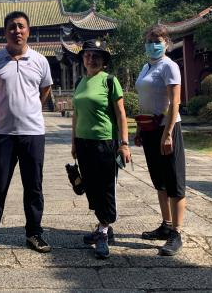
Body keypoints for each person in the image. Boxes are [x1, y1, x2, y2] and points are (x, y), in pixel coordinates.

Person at [0, 11, 53, 255]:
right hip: (3, 133)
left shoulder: (40, 61)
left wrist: (32, 109)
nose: (17, 31)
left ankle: (34, 233)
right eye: (12, 27)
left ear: (28, 30)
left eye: (21, 26)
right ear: (5, 32)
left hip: (32, 132)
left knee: (33, 186)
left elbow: (45, 89)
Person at [71, 39, 131, 259]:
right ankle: (102, 226)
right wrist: (73, 142)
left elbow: (121, 113)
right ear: (83, 59)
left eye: (96, 56)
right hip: (83, 142)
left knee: (105, 187)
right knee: (90, 186)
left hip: (104, 142)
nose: (91, 59)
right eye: (87, 55)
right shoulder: (80, 82)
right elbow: (76, 114)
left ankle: (104, 232)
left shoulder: (109, 81)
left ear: (104, 60)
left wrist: (124, 143)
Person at [134, 24, 185, 256]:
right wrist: (139, 129)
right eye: (149, 41)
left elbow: (175, 102)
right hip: (150, 129)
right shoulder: (146, 67)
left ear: (166, 44)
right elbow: (144, 100)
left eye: (157, 41)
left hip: (167, 128)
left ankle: (177, 232)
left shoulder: (169, 66)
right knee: (159, 180)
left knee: (174, 180)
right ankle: (166, 224)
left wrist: (168, 132)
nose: (152, 45)